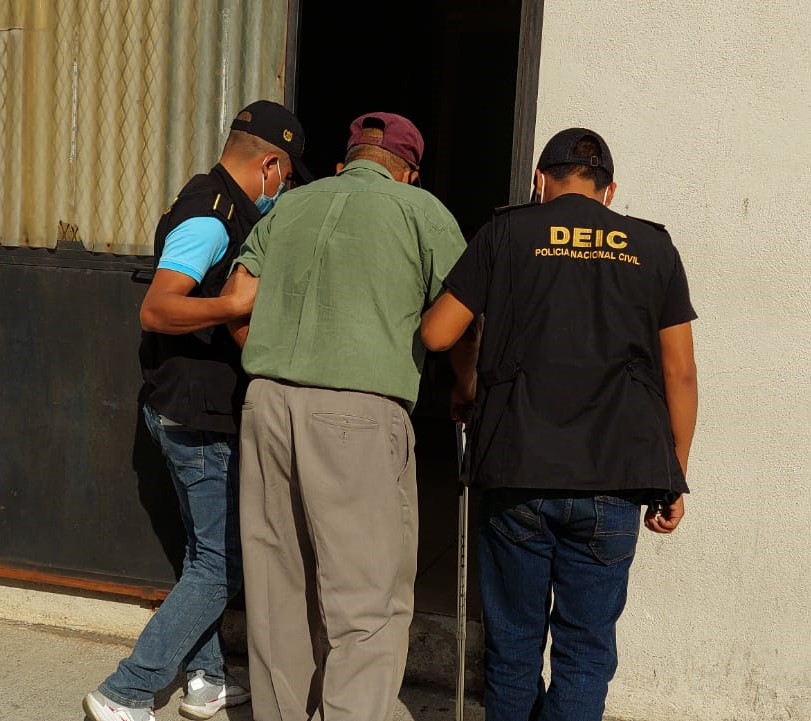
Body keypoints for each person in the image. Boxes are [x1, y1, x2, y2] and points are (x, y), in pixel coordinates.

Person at [420, 127, 699, 721]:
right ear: (609, 190)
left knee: (514, 648)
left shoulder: (506, 233)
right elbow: (680, 373)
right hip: (616, 475)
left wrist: (469, 379)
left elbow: (439, 333)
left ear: (539, 180)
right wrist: (674, 474)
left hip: (518, 468)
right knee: (585, 653)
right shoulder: (653, 248)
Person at [221, 111, 473, 721]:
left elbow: (236, 300)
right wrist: (466, 389)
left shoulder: (289, 206)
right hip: (358, 410)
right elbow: (462, 321)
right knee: (368, 594)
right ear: (408, 171)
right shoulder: (422, 212)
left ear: (349, 159)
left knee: (279, 586)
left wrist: (271, 354)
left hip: (267, 402)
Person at [83, 100, 311, 721]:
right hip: (197, 414)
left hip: (187, 407)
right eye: (286, 176)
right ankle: (127, 690)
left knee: (203, 553)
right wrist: (233, 306)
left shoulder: (219, 202)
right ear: (269, 165)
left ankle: (206, 679)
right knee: (222, 562)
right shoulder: (212, 216)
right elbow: (158, 307)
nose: (283, 189)